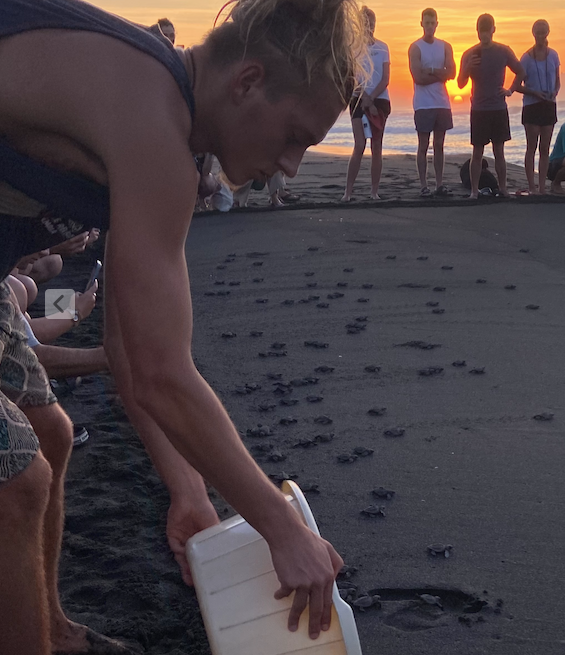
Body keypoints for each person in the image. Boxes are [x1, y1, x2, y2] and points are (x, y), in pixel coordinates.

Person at [0, 0, 367, 651]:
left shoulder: (163, 129)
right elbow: (160, 373)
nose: (289, 165)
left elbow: (129, 349)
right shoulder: (151, 114)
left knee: (51, 430)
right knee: (16, 483)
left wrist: (189, 489)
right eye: (293, 136)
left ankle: (48, 626)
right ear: (247, 82)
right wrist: (283, 530)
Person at [457, 13, 525, 199]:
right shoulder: (469, 53)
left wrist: (510, 90)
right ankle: (474, 191)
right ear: (477, 31)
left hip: (498, 108)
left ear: (493, 30)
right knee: (477, 152)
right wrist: (467, 67)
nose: (484, 35)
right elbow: (461, 83)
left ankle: (502, 188)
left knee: (499, 151)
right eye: (481, 31)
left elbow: (520, 72)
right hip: (479, 109)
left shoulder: (503, 51)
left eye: (487, 31)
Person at [342, 6, 390, 201]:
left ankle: (374, 191)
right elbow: (353, 78)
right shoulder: (354, 49)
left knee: (376, 146)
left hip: (380, 99)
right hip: (358, 99)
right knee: (359, 145)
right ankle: (348, 192)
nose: (369, 26)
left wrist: (372, 99)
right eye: (365, 22)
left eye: (371, 22)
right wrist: (365, 99)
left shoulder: (383, 47)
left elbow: (385, 78)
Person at [409, 7, 455, 197]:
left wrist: (431, 71)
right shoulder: (415, 47)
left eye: (432, 22)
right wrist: (440, 73)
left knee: (439, 145)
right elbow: (418, 78)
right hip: (423, 103)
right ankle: (423, 185)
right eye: (426, 23)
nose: (429, 26)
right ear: (421, 24)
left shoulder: (445, 46)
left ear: (437, 23)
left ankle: (439, 184)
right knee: (423, 145)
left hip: (442, 102)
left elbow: (451, 73)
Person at [512, 19, 560, 195]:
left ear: (548, 33)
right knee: (531, 147)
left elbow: (557, 80)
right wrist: (534, 92)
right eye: (537, 32)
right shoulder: (526, 58)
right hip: (532, 105)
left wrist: (555, 92)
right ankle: (532, 187)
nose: (540, 35)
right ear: (533, 34)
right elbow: (516, 85)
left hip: (549, 104)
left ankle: (542, 187)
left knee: (545, 149)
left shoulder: (554, 55)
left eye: (543, 32)